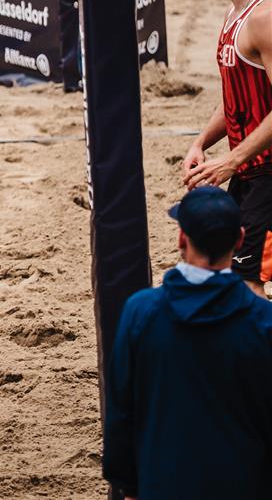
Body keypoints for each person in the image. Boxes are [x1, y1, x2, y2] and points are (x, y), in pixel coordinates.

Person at [103, 185, 272, 499]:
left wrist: (127, 484)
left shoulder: (141, 312)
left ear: (182, 239)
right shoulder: (264, 321)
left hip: (163, 484)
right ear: (239, 239)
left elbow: (122, 409)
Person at [183, 0, 272, 298]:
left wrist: (231, 161)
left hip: (266, 173)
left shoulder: (264, 17)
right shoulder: (234, 13)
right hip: (249, 169)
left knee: (249, 283)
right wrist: (201, 143)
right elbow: (237, 97)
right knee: (235, 275)